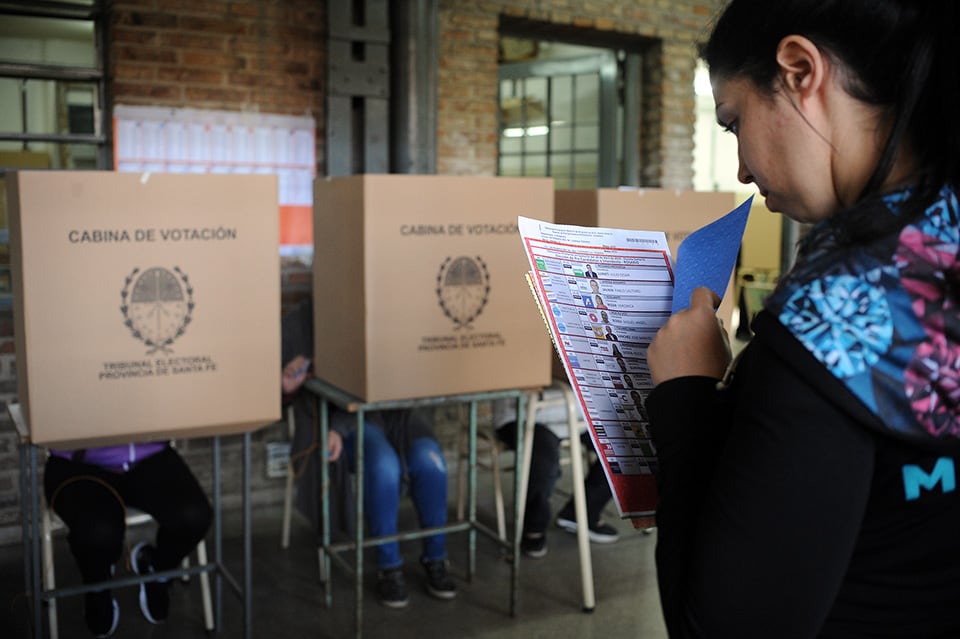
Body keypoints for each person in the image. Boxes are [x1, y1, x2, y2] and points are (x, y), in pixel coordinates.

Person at [645, 1, 960, 636]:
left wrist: (687, 392)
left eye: (734, 122)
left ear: (799, 70)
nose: (741, 168)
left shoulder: (833, 321)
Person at [282, 297, 456, 608]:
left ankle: (436, 558)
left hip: (396, 414)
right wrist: (292, 377)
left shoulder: (395, 306)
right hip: (343, 419)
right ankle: (389, 567)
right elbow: (281, 391)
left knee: (431, 462)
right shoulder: (303, 321)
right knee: (383, 464)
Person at [44, 443, 212, 637]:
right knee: (99, 532)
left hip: (149, 456)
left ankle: (157, 571)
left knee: (194, 516)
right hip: (78, 464)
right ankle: (97, 582)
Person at [493, 399, 619, 559]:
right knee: (544, 460)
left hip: (578, 413)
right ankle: (534, 527)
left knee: (623, 446)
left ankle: (582, 513)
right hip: (524, 416)